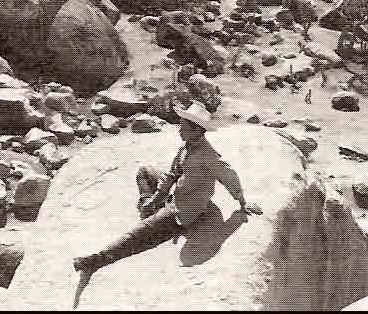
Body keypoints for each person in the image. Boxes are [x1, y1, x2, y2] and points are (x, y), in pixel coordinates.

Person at [72, 101, 263, 306]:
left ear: (196, 130)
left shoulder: (208, 156)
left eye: (183, 126)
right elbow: (172, 174)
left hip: (184, 211)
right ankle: (150, 209)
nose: (179, 129)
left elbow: (229, 177)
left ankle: (95, 261)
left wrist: (242, 202)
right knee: (145, 171)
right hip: (176, 197)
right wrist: (154, 199)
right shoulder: (186, 147)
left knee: (136, 234)